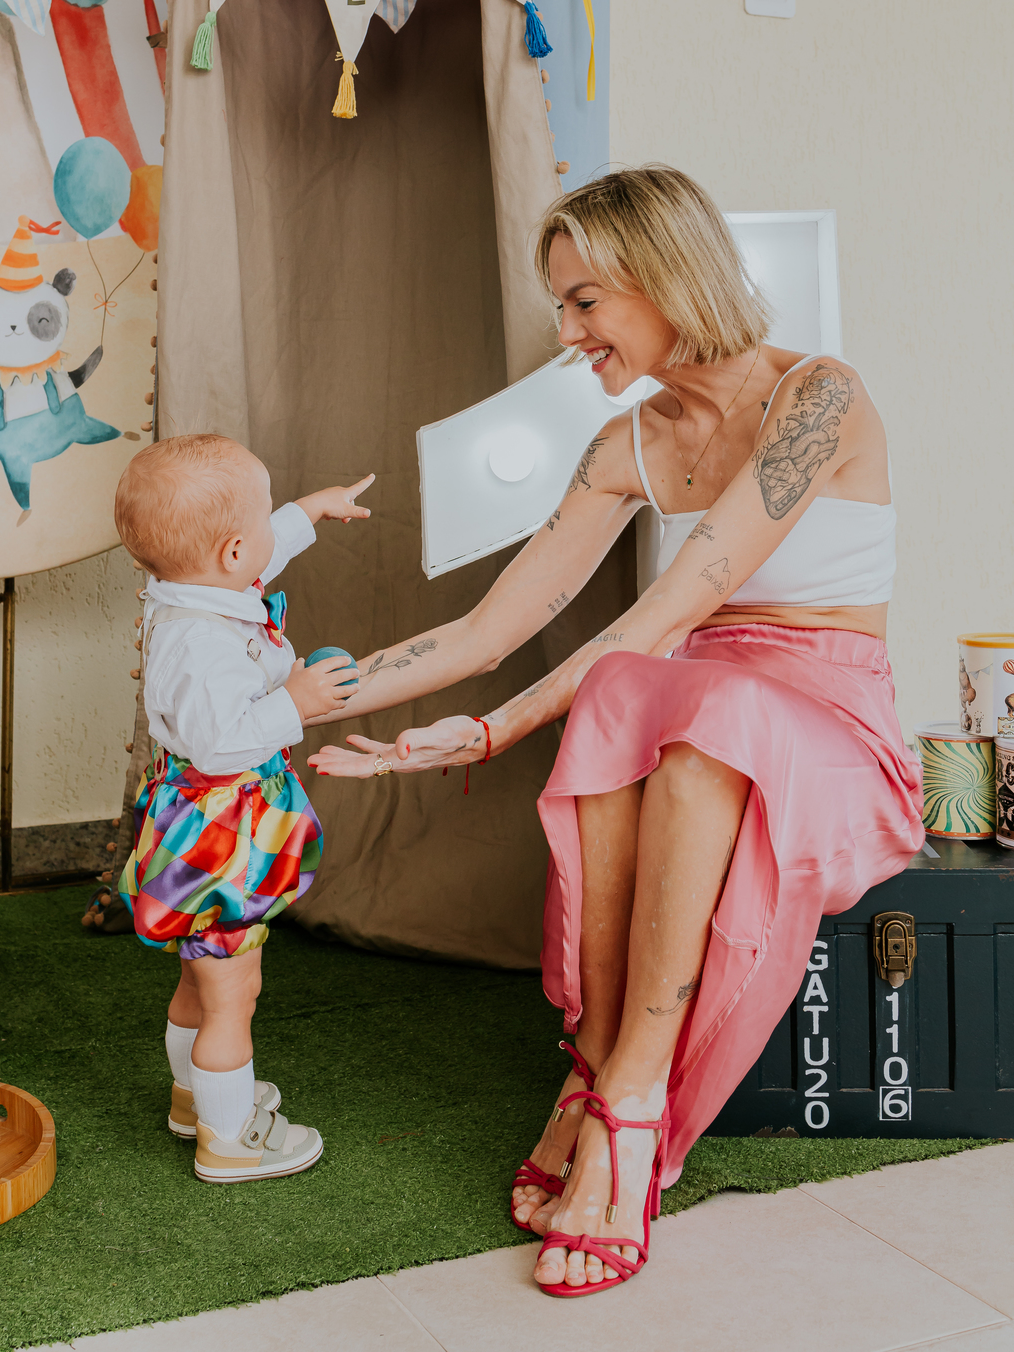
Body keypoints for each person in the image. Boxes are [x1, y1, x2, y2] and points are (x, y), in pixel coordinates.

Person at [309, 166, 922, 1296]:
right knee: (643, 700)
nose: (567, 331)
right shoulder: (625, 445)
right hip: (699, 699)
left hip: (828, 712)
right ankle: (594, 1073)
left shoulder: (819, 397)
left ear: (664, 277)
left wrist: (493, 736)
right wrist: (294, 700)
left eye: (586, 300)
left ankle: (631, 1099)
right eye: (563, 303)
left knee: (692, 705)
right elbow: (493, 625)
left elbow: (677, 602)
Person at [114, 434, 371, 1183]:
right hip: (222, 832)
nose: (272, 532)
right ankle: (228, 1140)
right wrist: (296, 700)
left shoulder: (198, 587)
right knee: (233, 992)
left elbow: (253, 554)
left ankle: (195, 1097)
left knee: (200, 976)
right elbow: (223, 744)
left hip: (202, 826)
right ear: (232, 552)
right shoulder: (199, 642)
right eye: (265, 517)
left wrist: (304, 513)